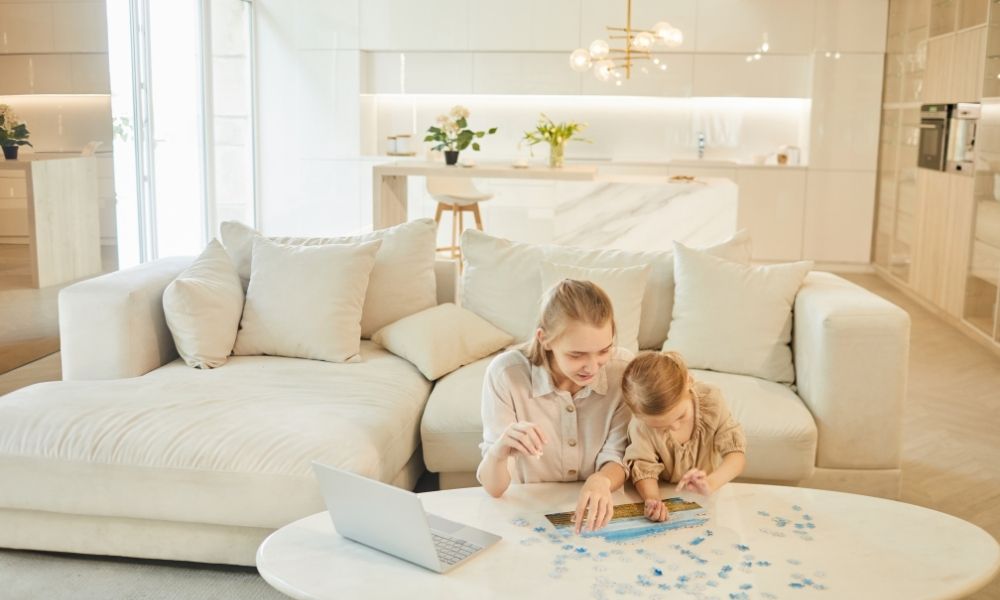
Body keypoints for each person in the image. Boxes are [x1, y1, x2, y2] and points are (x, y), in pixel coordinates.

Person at [477, 279, 632, 534]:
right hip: (528, 519)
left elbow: (618, 454)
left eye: (604, 350)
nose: (592, 366)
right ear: (545, 339)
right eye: (577, 355)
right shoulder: (506, 374)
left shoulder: (623, 371)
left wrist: (601, 480)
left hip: (600, 518)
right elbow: (494, 488)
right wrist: (500, 449)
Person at [621, 351, 746, 523]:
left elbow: (736, 456)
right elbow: (643, 467)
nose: (674, 426)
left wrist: (711, 483)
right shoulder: (640, 425)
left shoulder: (711, 400)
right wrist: (653, 499)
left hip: (707, 497)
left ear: (689, 381)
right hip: (665, 494)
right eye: (660, 427)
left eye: (680, 416)